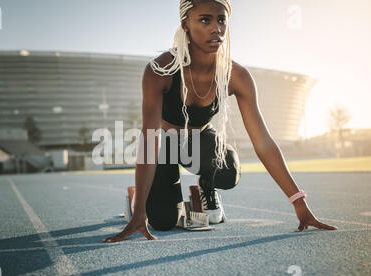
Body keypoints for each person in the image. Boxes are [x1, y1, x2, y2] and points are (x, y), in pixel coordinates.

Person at [103, 0, 337, 243]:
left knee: (227, 171)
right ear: (185, 25)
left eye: (221, 20)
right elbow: (150, 139)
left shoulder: (237, 76)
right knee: (162, 220)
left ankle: (203, 188)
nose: (216, 28)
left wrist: (298, 201)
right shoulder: (159, 71)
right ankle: (137, 197)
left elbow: (264, 143)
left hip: (201, 140)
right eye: (205, 20)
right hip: (166, 145)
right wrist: (140, 210)